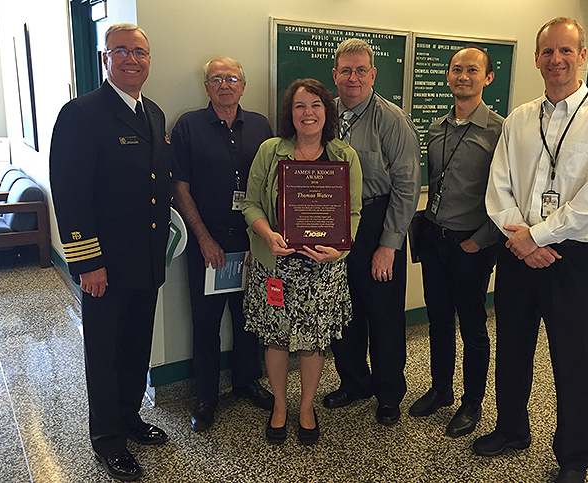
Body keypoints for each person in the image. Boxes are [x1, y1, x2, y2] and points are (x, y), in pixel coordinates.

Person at [475, 18, 588, 483]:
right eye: (547, 51)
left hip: (571, 258)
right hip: (517, 253)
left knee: (573, 360)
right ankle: (512, 429)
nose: (556, 59)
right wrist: (523, 240)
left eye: (566, 50)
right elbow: (498, 187)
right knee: (512, 348)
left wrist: (537, 237)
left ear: (581, 55)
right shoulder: (520, 119)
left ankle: (573, 457)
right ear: (537, 58)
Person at [50, 23, 172, 481]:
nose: (131, 59)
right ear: (105, 59)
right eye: (120, 51)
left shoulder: (153, 113)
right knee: (104, 355)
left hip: (147, 260)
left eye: (139, 51)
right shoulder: (81, 113)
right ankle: (107, 440)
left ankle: (129, 417)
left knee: (136, 348)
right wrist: (88, 263)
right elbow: (70, 194)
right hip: (106, 265)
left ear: (148, 59)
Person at [242, 78, 363, 445]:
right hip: (276, 265)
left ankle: (306, 407)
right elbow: (250, 204)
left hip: (323, 269)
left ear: (327, 111)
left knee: (313, 342)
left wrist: (340, 250)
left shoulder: (344, 156)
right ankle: (280, 406)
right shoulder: (270, 151)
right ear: (289, 113)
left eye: (315, 105)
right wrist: (268, 234)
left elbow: (353, 213)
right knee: (276, 339)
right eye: (299, 106)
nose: (308, 113)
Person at [171, 57, 274, 432]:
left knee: (249, 319)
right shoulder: (188, 125)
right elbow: (179, 188)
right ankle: (206, 396)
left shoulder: (261, 125)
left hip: (251, 242)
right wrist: (204, 239)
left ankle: (247, 381)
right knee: (205, 324)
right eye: (216, 78)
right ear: (206, 86)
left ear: (243, 85)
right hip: (207, 245)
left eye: (231, 78)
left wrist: (260, 239)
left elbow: (271, 184)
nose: (224, 85)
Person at [324, 38, 420, 426]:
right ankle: (354, 382)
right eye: (346, 70)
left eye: (361, 70)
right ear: (335, 74)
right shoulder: (323, 113)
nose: (353, 78)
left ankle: (388, 392)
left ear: (373, 74)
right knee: (343, 309)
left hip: (378, 220)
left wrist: (388, 245)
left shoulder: (392, 119)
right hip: (334, 221)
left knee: (384, 315)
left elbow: (408, 187)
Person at [409, 46, 502, 438]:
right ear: (447, 76)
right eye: (457, 70)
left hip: (472, 245)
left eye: (472, 70)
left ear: (487, 77)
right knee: (439, 319)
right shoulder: (436, 128)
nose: (463, 76)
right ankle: (441, 389)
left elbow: (507, 193)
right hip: (436, 238)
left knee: (473, 327)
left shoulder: (500, 130)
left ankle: (471, 402)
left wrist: (481, 240)